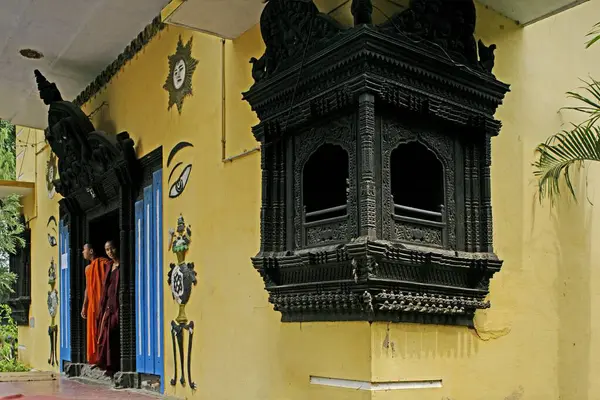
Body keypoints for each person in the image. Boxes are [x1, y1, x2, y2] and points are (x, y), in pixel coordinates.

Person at [81, 243, 110, 365]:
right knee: (93, 331)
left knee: (102, 330)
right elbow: (88, 288)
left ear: (91, 251)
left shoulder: (103, 263)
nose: (83, 252)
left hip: (102, 302)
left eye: (84, 249)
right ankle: (94, 357)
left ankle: (103, 358)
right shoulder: (88, 269)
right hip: (92, 304)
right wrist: (84, 306)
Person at [96, 240, 121, 374]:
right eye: (107, 250)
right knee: (106, 333)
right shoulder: (109, 266)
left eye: (112, 249)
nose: (110, 252)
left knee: (113, 333)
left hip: (118, 304)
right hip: (108, 304)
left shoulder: (122, 264)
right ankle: (107, 364)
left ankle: (115, 365)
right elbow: (106, 286)